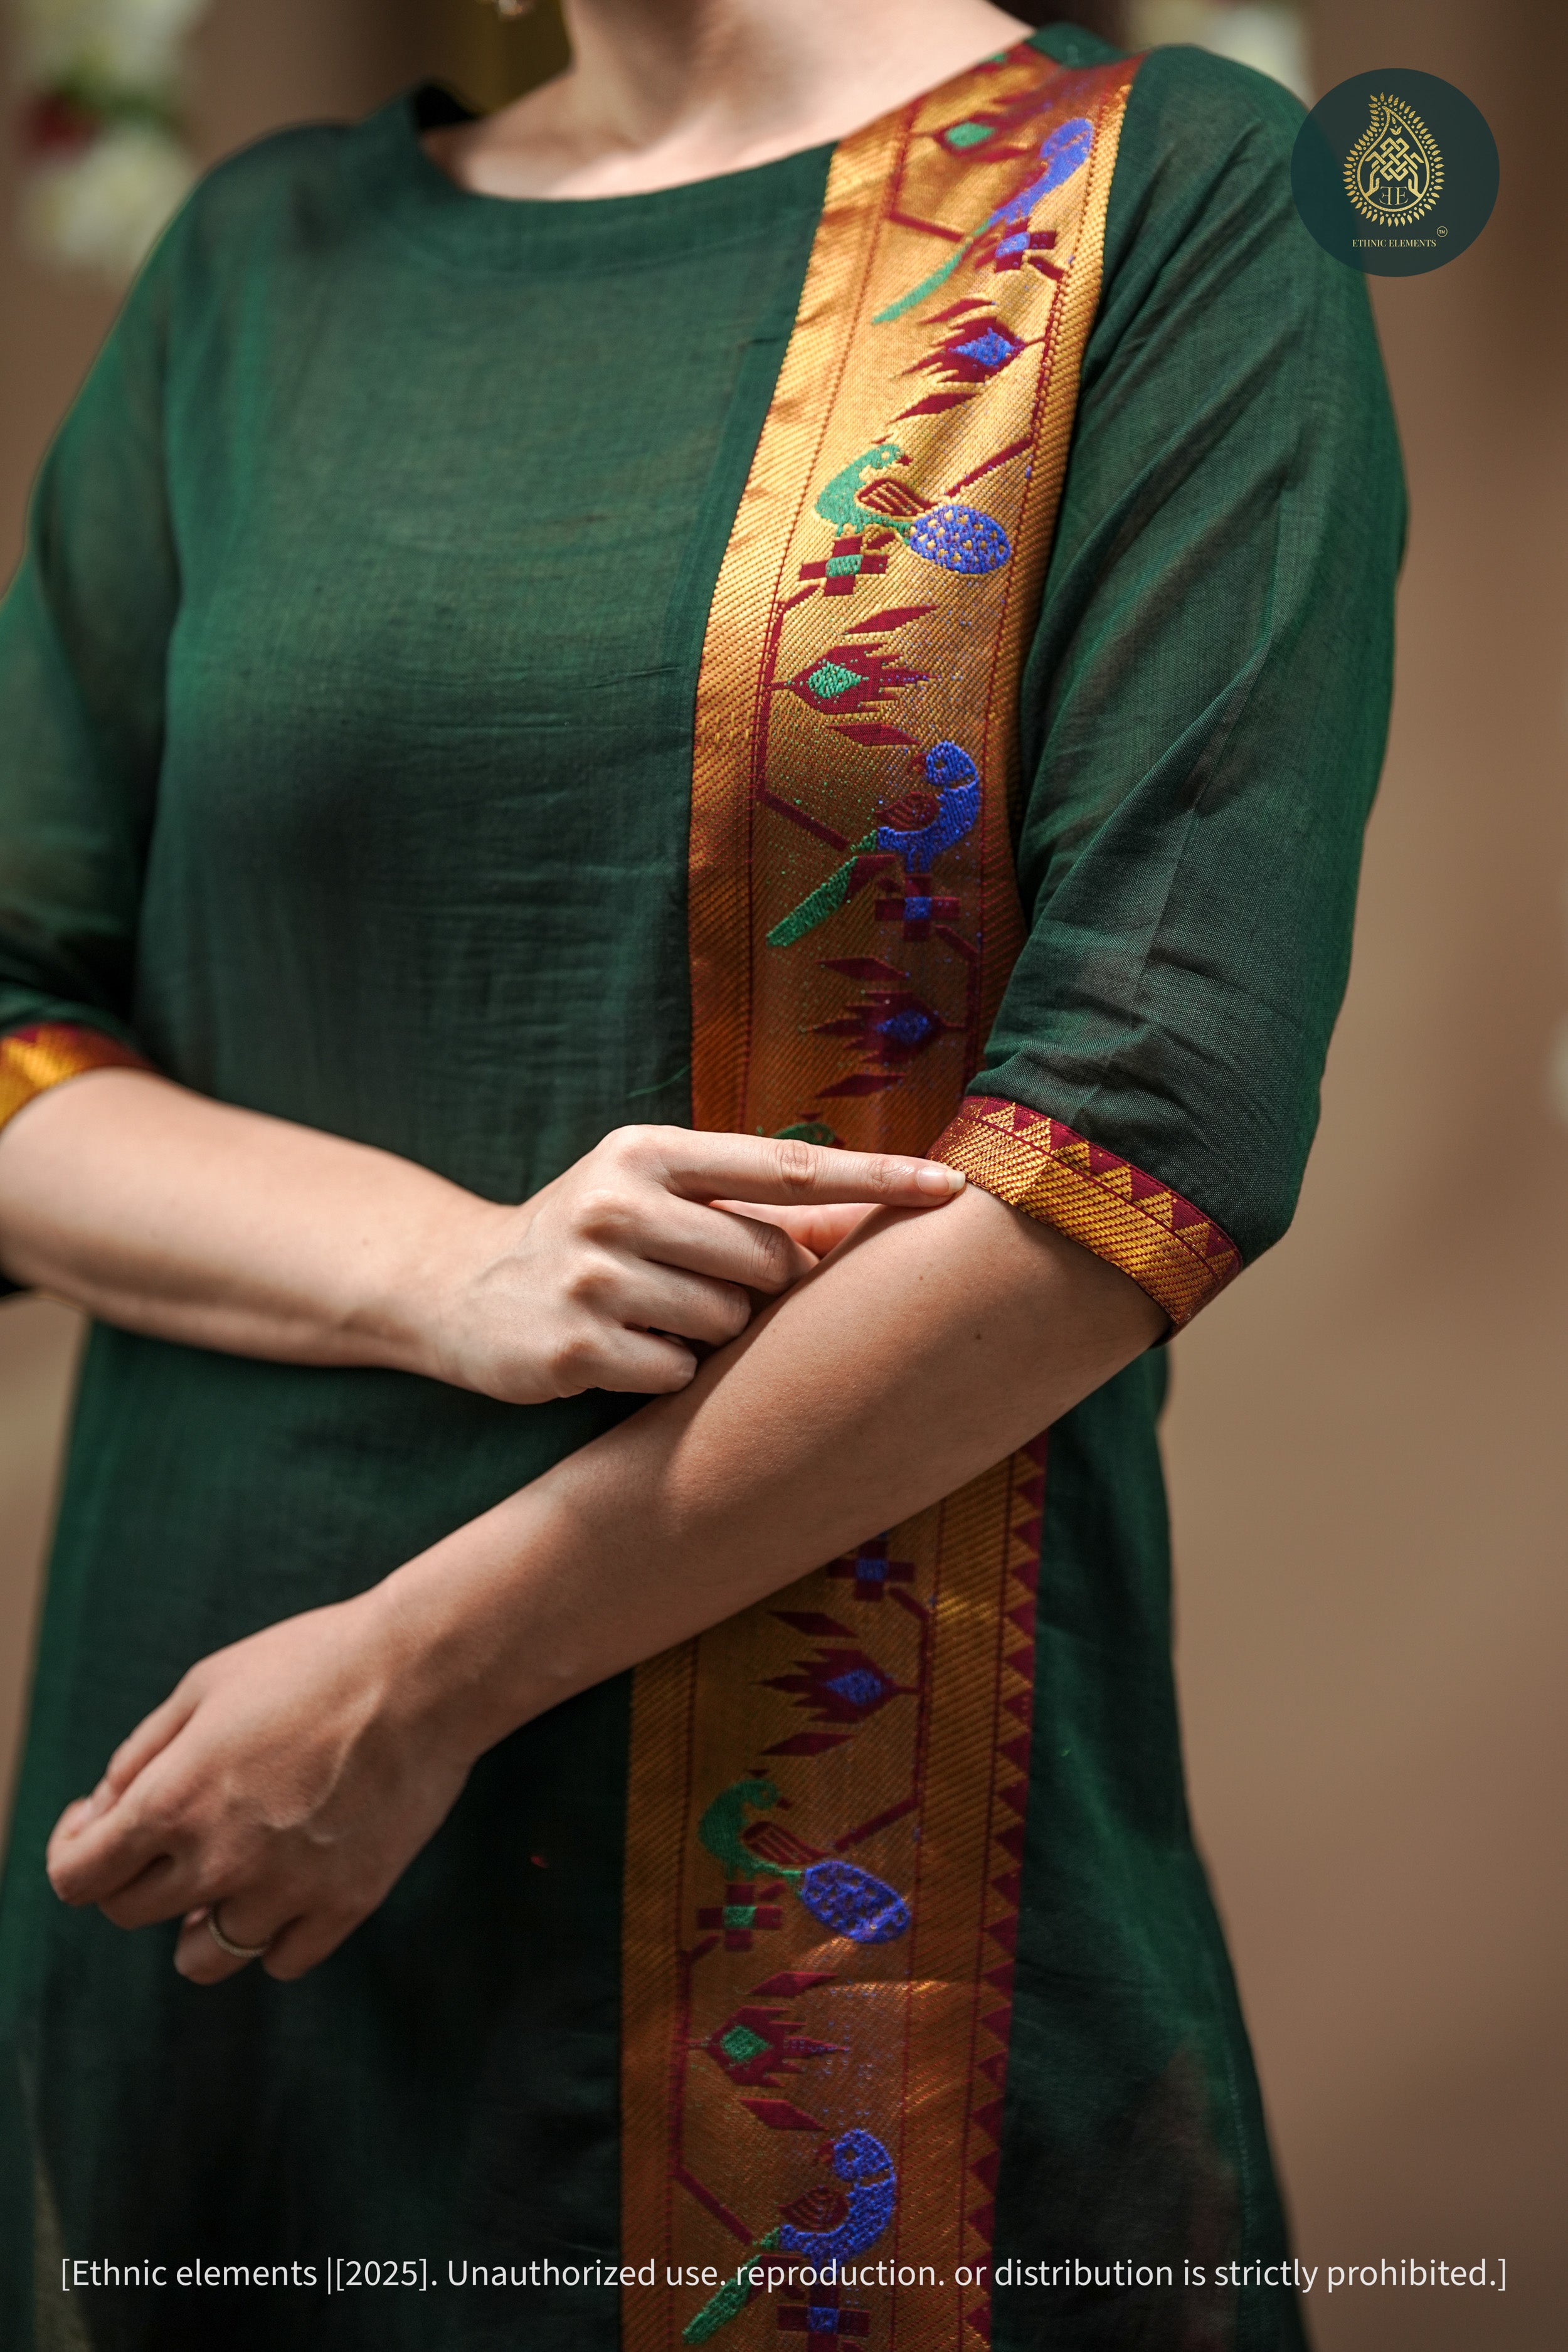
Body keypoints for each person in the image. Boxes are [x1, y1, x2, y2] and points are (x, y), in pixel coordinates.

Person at [0, 2, 1403, 2346]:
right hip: (215, 1829)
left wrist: (422, 1680)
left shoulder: (1165, 199)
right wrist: (448, 1271)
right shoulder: (263, 262)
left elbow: (1147, 1119)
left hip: (821, 1899)